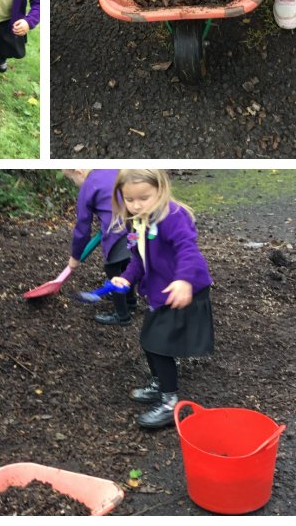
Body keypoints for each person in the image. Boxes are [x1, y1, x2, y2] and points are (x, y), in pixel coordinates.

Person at [107, 169, 213, 429]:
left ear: (161, 190)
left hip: (183, 290)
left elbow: (188, 249)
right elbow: (137, 258)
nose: (136, 205)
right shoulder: (136, 221)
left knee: (158, 345)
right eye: (129, 199)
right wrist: (126, 278)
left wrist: (183, 279)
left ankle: (169, 402)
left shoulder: (173, 216)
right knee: (148, 340)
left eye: (143, 198)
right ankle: (159, 383)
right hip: (160, 291)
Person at [61, 169, 135, 326]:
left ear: (79, 172)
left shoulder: (88, 186)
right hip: (135, 224)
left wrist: (75, 257)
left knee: (112, 269)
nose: (74, 184)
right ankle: (130, 300)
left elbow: (82, 228)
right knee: (128, 262)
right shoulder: (111, 169)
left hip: (116, 229)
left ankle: (122, 315)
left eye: (71, 180)